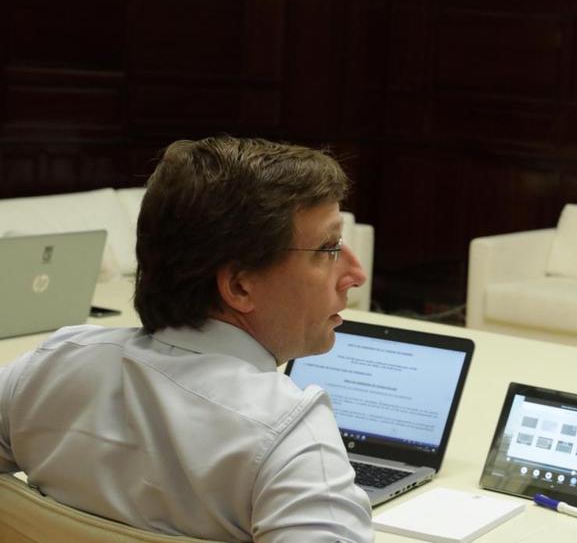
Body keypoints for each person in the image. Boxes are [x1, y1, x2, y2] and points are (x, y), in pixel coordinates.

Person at [0, 137, 373, 542]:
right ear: (239, 285)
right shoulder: (288, 436)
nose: (356, 273)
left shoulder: (47, 370)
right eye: (329, 248)